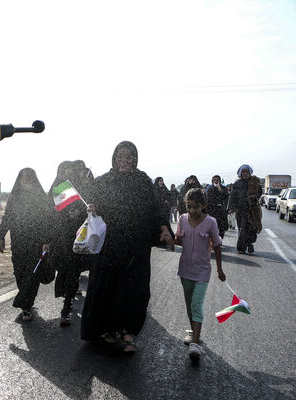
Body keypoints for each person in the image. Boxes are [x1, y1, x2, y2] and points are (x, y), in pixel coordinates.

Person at [80, 141, 174, 353]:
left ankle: (128, 331)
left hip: (136, 247)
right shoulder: (103, 181)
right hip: (109, 247)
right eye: (120, 156)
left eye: (128, 157)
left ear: (134, 159)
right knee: (107, 288)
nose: (123, 160)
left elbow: (156, 208)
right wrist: (91, 208)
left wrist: (164, 228)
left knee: (135, 290)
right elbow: (93, 205)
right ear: (114, 158)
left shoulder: (142, 181)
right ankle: (108, 329)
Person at [174, 188, 226, 362]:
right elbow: (178, 239)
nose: (192, 211)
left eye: (196, 207)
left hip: (202, 271)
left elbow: (217, 246)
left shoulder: (211, 222)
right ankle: (193, 332)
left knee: (197, 304)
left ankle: (195, 343)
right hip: (185, 271)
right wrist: (170, 238)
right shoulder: (182, 219)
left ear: (204, 205)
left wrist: (219, 269)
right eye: (189, 206)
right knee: (189, 304)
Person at [0, 168, 52, 321]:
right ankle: (25, 299)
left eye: (29, 179)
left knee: (32, 274)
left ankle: (25, 306)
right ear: (19, 181)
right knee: (20, 273)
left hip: (36, 243)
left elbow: (47, 220)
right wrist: (1, 237)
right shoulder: (14, 198)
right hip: (18, 243)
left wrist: (47, 241)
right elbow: (7, 217)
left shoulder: (41, 198)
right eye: (23, 179)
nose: (25, 182)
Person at [49, 161, 92, 325]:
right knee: (67, 270)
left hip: (81, 236)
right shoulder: (61, 187)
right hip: (62, 238)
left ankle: (66, 309)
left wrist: (82, 212)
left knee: (74, 271)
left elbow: (93, 205)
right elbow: (52, 211)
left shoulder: (86, 186)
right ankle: (67, 302)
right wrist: (67, 214)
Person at [228, 165, 262, 254]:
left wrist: (255, 196)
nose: (245, 173)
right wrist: (231, 208)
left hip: (252, 210)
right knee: (242, 229)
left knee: (252, 228)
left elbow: (259, 192)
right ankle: (241, 248)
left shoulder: (254, 182)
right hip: (240, 210)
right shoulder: (237, 184)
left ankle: (249, 243)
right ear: (240, 173)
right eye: (243, 172)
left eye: (247, 172)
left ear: (249, 172)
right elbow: (232, 196)